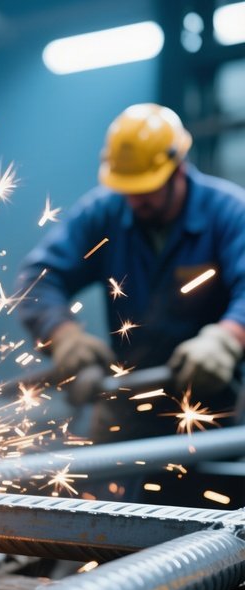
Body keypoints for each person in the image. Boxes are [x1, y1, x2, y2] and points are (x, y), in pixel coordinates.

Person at [15, 103, 245, 500]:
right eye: (128, 189)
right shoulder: (104, 210)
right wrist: (65, 337)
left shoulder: (228, 212)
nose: (136, 201)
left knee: (213, 521)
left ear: (178, 167)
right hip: (125, 398)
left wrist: (227, 338)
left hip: (212, 405)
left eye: (146, 188)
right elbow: (37, 281)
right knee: (99, 514)